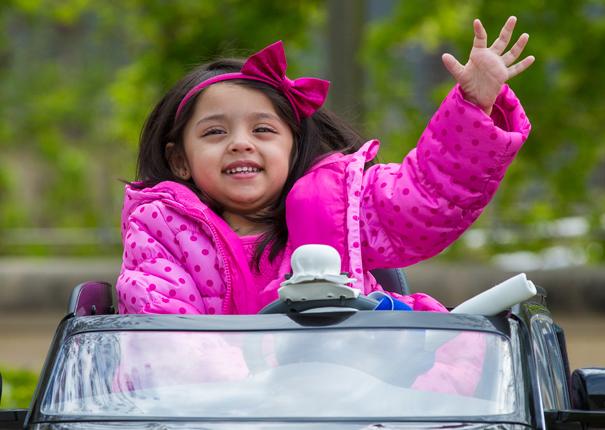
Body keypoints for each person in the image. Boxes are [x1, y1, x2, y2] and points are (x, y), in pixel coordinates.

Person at [116, 16, 534, 315]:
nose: (241, 144)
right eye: (214, 133)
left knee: (458, 365)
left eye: (263, 130)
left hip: (359, 394)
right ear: (179, 160)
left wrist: (474, 105)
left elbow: (428, 194)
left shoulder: (339, 201)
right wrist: (254, 400)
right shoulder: (161, 227)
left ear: (295, 147)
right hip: (227, 409)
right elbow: (164, 337)